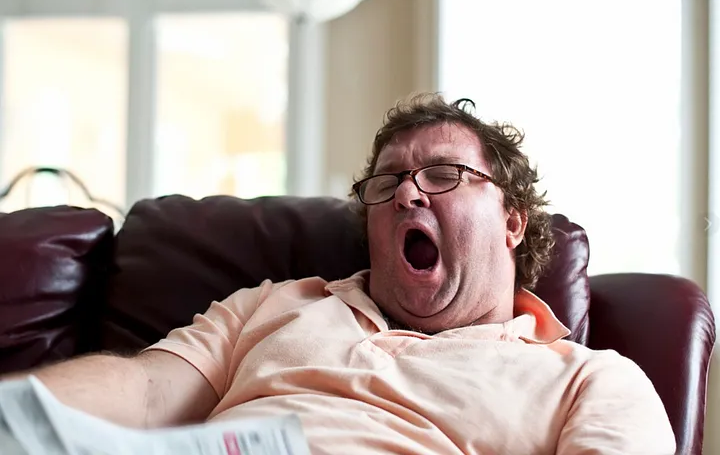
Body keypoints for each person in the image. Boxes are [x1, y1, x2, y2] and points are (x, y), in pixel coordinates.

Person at [1, 94, 675, 454]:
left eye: (442, 175)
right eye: (388, 183)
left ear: (512, 222)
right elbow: (145, 393)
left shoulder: (591, 379)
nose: (409, 195)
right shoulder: (275, 306)